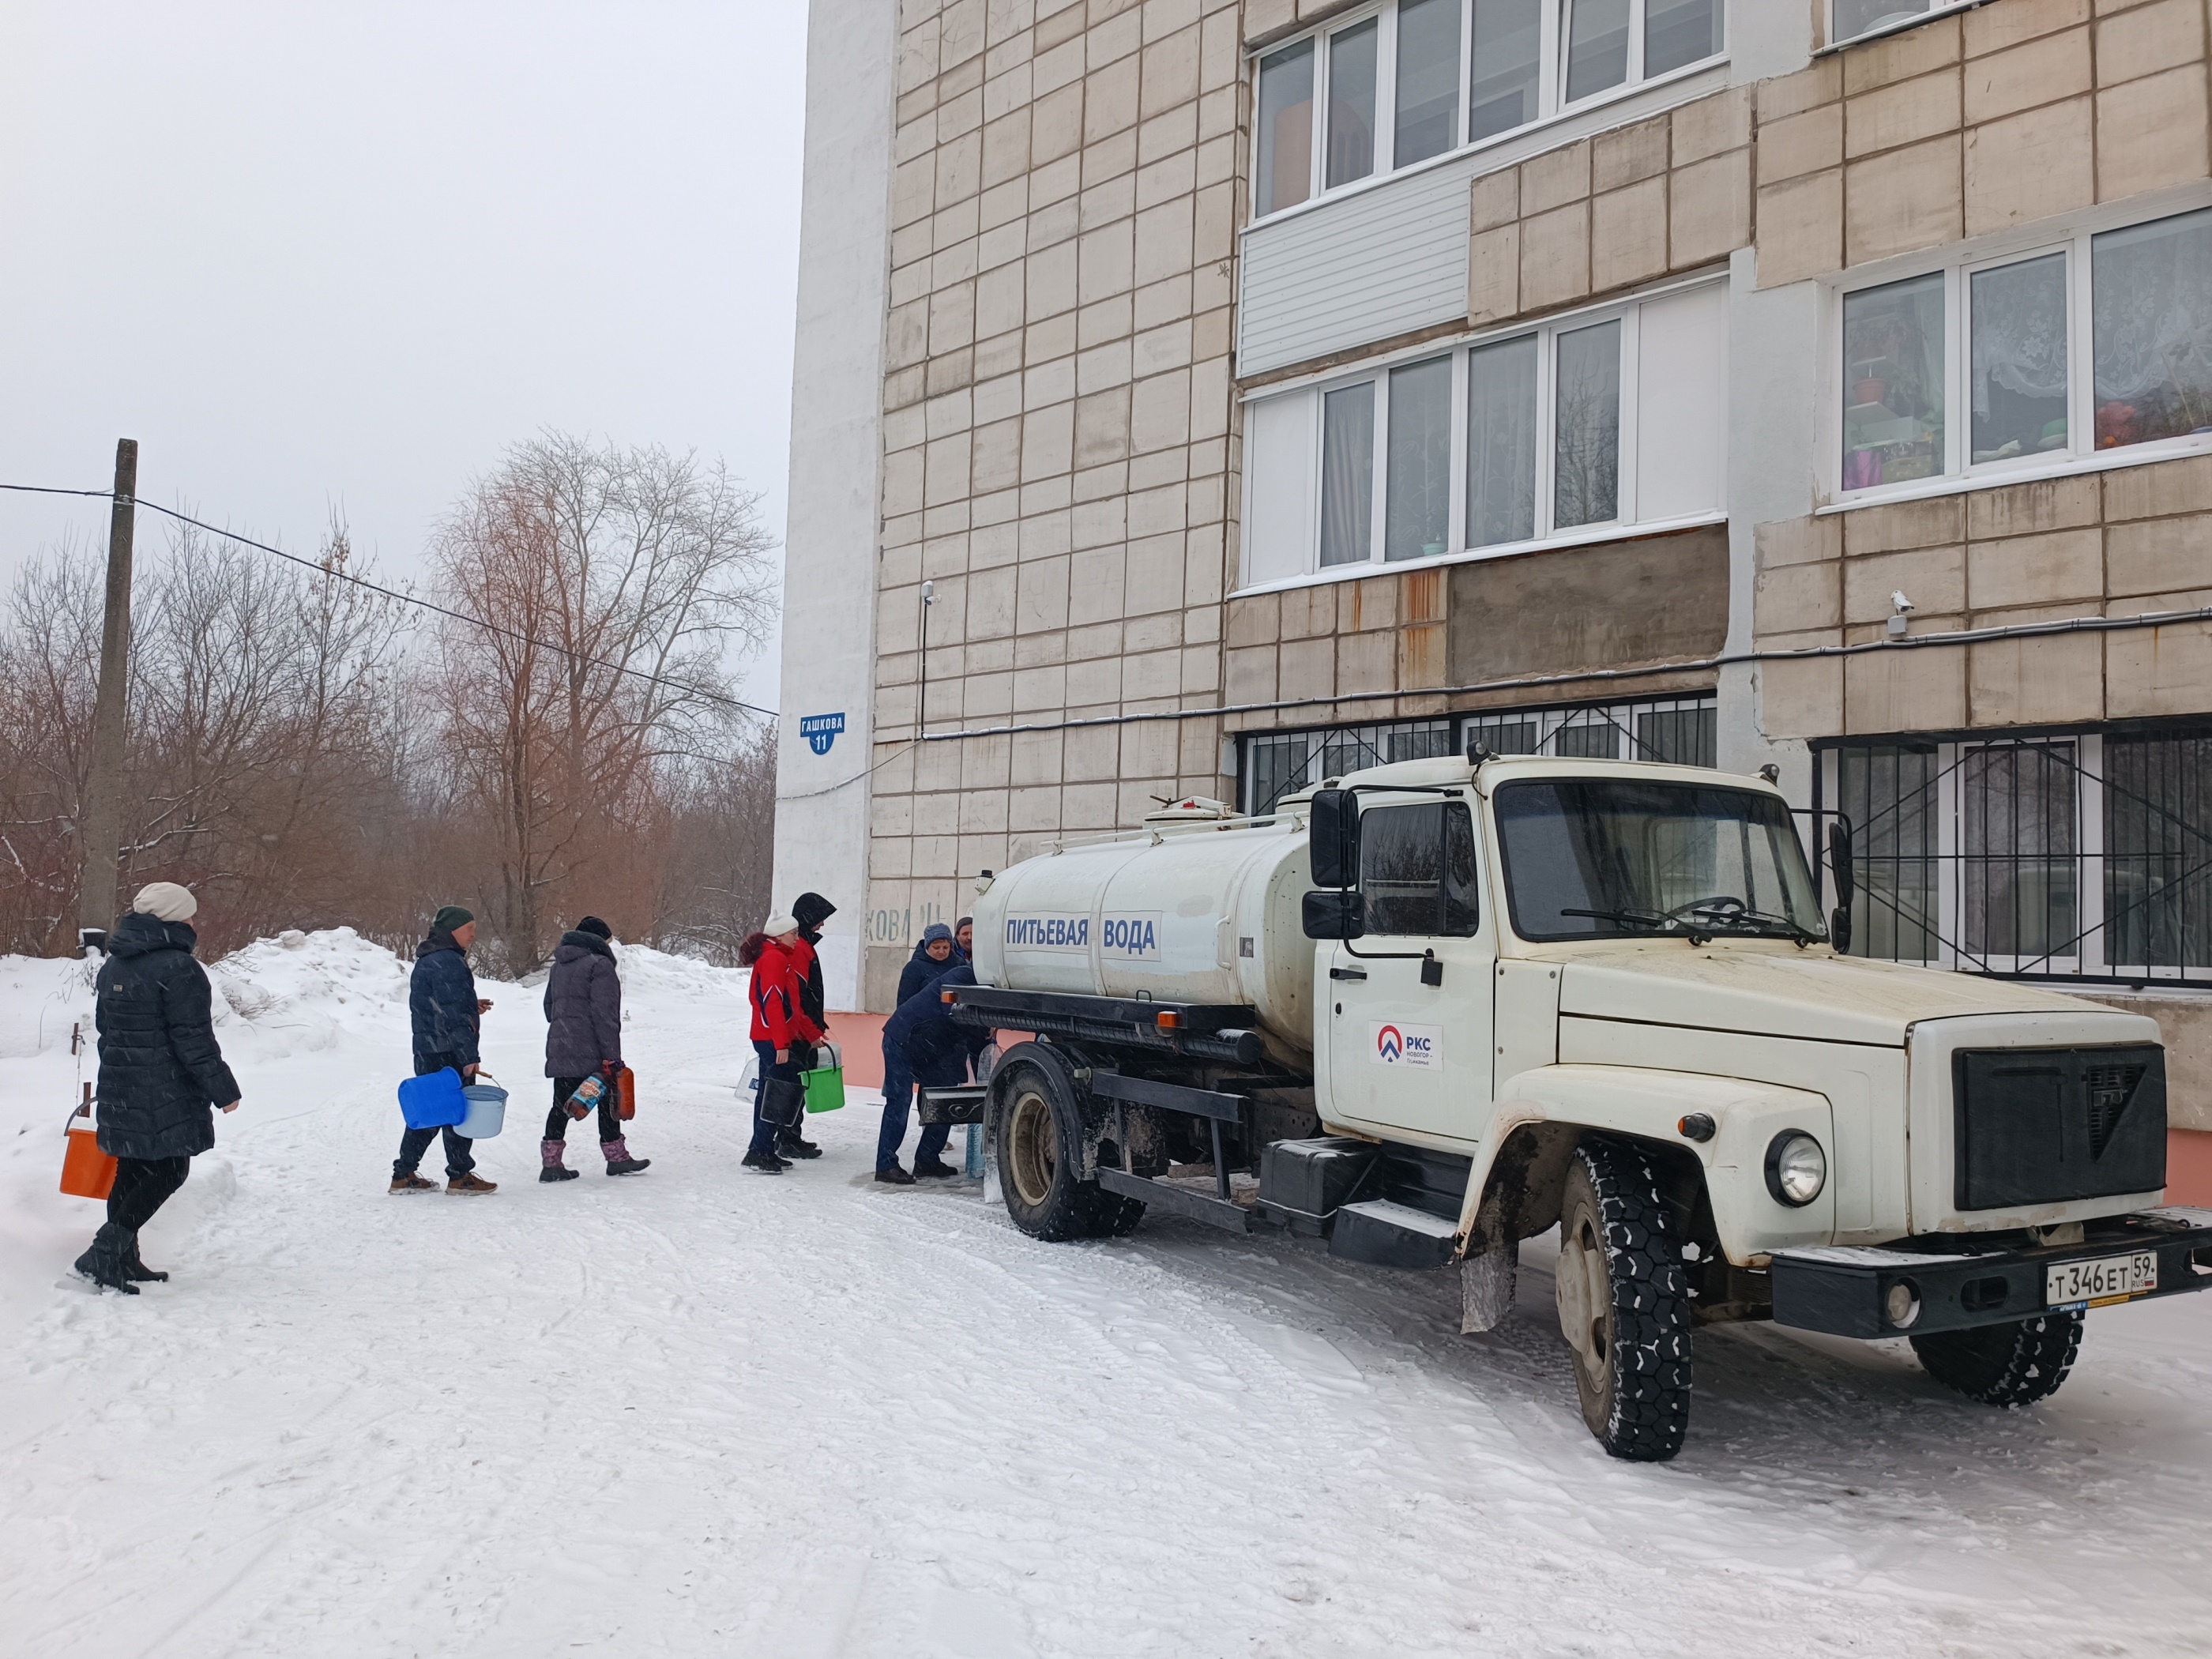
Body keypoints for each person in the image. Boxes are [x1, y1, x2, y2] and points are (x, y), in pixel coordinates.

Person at [73, 882, 243, 1293]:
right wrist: (223, 1089)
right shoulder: (179, 968)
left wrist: (123, 1068)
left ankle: (123, 1260)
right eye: (188, 914)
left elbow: (106, 1029)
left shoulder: (115, 964)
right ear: (172, 919)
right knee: (169, 1169)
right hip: (164, 1089)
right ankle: (101, 1254)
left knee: (132, 1171)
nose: (192, 921)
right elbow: (193, 1038)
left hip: (124, 1083)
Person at [394, 905, 496, 1195]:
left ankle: (403, 1173)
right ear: (452, 930)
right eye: (469, 929)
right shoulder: (450, 961)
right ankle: (460, 1175)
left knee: (431, 1109)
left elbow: (435, 1006)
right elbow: (451, 1015)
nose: (473, 935)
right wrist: (469, 1057)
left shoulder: (428, 959)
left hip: (428, 1048)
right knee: (459, 1112)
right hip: (448, 1050)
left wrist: (469, 1006)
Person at [541, 915, 649, 1181]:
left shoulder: (558, 966)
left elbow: (548, 1008)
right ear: (600, 941)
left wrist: (567, 1024)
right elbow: (606, 1016)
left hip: (562, 1044)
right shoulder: (599, 965)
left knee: (561, 1105)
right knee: (608, 1099)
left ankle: (551, 1164)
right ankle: (616, 1158)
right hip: (592, 1047)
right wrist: (612, 1056)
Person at [875, 962, 985, 1187]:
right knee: (899, 1102)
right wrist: (983, 1026)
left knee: (943, 1101)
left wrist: (985, 1075)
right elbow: (953, 1013)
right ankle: (885, 1165)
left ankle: (927, 1160)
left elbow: (976, 1042)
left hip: (934, 1046)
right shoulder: (962, 976)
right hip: (903, 1039)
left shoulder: (981, 983)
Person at [743, 916, 823, 1175]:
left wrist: (810, 1033)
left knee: (774, 1091)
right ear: (778, 936)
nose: (797, 937)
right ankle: (760, 1150)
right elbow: (773, 1003)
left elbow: (793, 1009)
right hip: (771, 1039)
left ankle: (761, 1148)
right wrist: (781, 1043)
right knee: (778, 1093)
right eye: (793, 933)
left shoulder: (779, 957)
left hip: (771, 1037)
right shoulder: (775, 959)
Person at [780, 891, 838, 1161]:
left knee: (796, 1085)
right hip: (800, 1033)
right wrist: (811, 1031)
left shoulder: (802, 945)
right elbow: (798, 999)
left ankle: (791, 1136)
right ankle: (789, 1139)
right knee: (795, 1086)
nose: (822, 925)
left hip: (802, 1030)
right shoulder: (801, 949)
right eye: (820, 919)